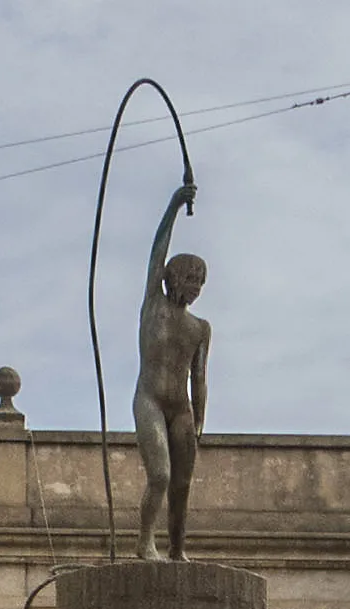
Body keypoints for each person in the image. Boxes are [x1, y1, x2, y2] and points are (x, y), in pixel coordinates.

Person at [133, 171, 209, 562]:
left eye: (200, 281)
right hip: (149, 400)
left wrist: (199, 419)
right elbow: (156, 251)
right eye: (190, 277)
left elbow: (200, 378)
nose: (195, 286)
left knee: (182, 484)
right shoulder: (154, 305)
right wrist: (175, 205)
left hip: (181, 409)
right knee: (160, 475)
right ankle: (146, 542)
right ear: (172, 278)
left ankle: (177, 550)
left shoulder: (200, 328)